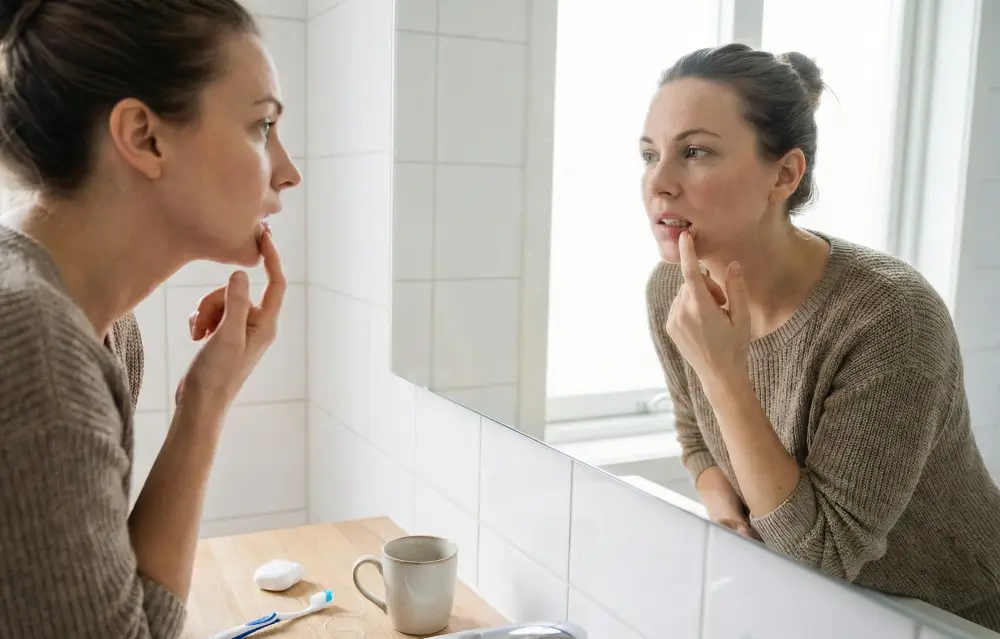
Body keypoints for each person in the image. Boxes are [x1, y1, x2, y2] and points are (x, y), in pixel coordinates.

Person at [643, 43, 1000, 630]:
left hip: (951, 618)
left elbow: (825, 554)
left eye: (696, 152)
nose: (658, 182)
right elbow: (697, 438)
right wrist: (725, 512)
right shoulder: (671, 293)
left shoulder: (889, 316)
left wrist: (724, 372)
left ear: (784, 173)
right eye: (649, 154)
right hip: (820, 611)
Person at [0, 0, 301, 636]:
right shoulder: (34, 343)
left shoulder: (105, 329)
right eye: (261, 128)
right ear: (144, 137)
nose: (287, 172)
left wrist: (207, 395)